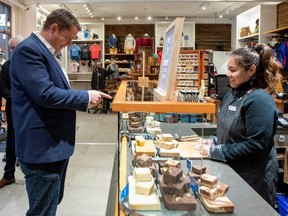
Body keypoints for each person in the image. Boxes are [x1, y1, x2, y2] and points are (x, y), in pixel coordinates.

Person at [9, 9, 112, 216]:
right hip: (41, 149)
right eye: (69, 38)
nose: (70, 44)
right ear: (54, 28)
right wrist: (85, 97)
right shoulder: (29, 50)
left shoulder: (47, 52)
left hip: (53, 146)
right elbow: (46, 94)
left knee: (51, 204)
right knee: (43, 210)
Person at [201, 44, 282, 207]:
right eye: (228, 69)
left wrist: (215, 151)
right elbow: (230, 130)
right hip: (230, 174)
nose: (228, 74)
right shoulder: (232, 94)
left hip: (254, 183)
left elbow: (255, 145)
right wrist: (214, 141)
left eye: (233, 70)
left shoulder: (259, 100)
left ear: (251, 70)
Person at [0, 35, 25, 189]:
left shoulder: (30, 64)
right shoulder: (7, 66)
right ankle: (8, 174)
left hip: (30, 110)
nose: (11, 50)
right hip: (13, 108)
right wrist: (16, 98)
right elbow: (2, 87)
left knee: (29, 141)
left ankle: (31, 174)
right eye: (10, 47)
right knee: (11, 142)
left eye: (14, 47)